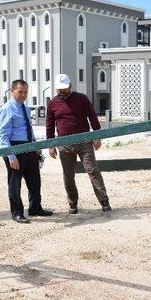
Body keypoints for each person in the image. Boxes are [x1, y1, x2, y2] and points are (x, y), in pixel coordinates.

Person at [46, 74, 111, 214]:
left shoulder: (82, 99)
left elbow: (92, 117)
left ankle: (104, 201)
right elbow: (50, 125)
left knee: (92, 170)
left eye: (64, 89)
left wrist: (97, 136)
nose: (62, 92)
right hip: (64, 144)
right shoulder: (52, 103)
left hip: (84, 142)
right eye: (59, 89)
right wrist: (51, 145)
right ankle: (73, 203)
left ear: (70, 86)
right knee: (68, 175)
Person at [0, 79, 53, 223]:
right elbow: (3, 136)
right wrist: (11, 156)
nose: (23, 95)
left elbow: (29, 128)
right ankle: (17, 213)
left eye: (25, 92)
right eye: (20, 92)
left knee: (35, 180)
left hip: (29, 148)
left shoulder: (26, 108)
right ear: (12, 91)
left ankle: (35, 207)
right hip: (15, 148)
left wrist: (35, 146)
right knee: (15, 183)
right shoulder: (7, 109)